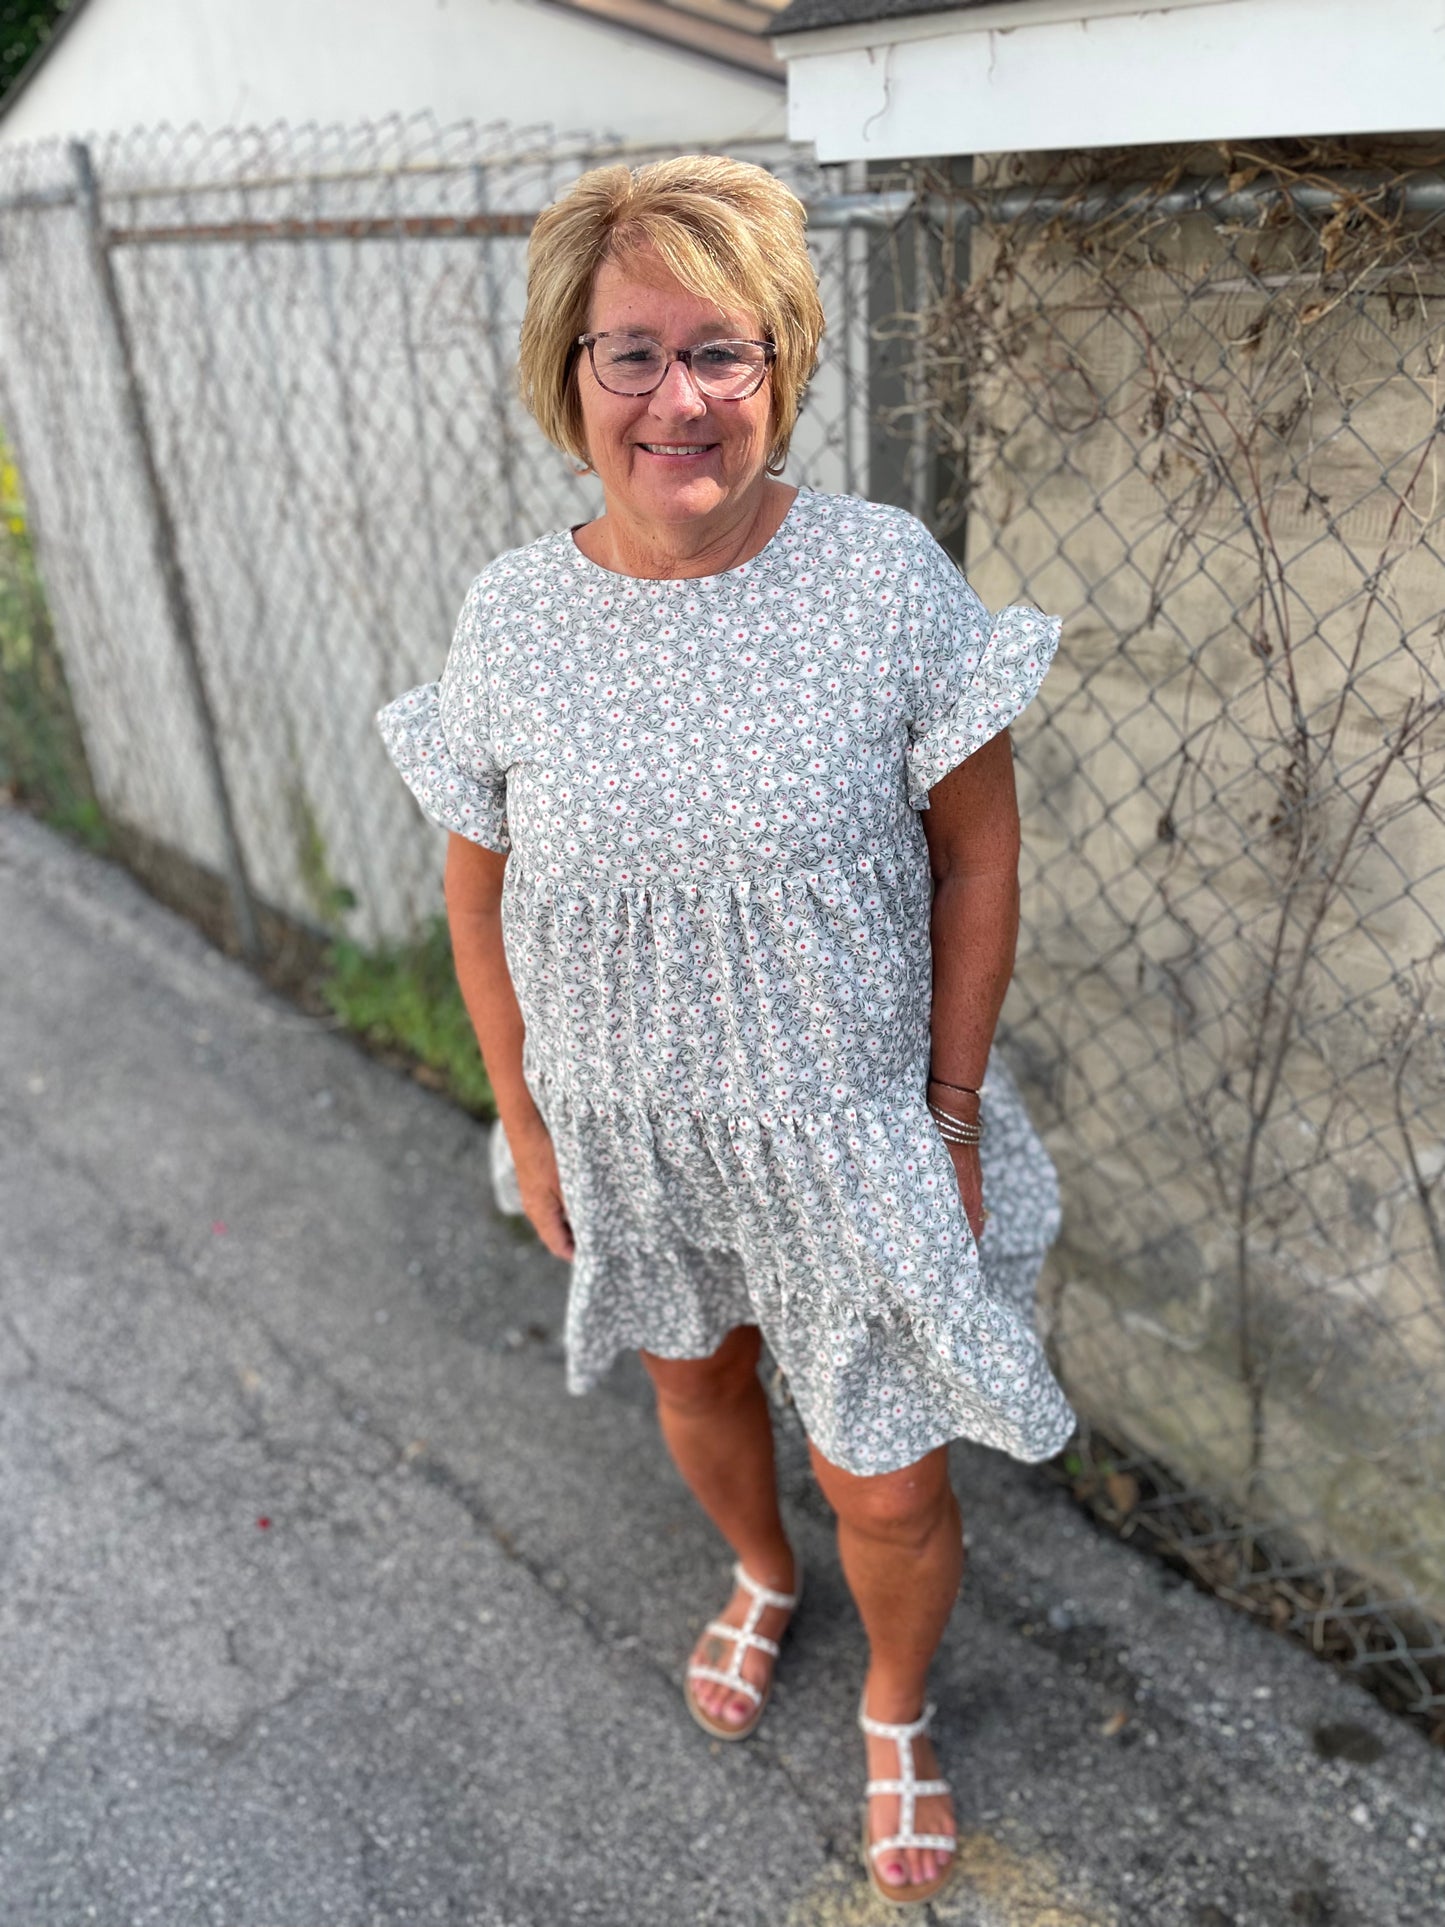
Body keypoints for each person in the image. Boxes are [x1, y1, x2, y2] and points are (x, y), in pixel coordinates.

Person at [377, 153, 1077, 1909]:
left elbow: (978, 855)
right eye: (631, 353)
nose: (678, 399)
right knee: (693, 1385)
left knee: (893, 1486)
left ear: (781, 365)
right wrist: (529, 1124)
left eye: (723, 351)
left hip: (849, 1128)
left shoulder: (879, 575)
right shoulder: (511, 617)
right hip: (628, 1122)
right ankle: (761, 1575)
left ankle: (897, 1707)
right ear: (570, 376)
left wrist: (950, 1112)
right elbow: (478, 897)